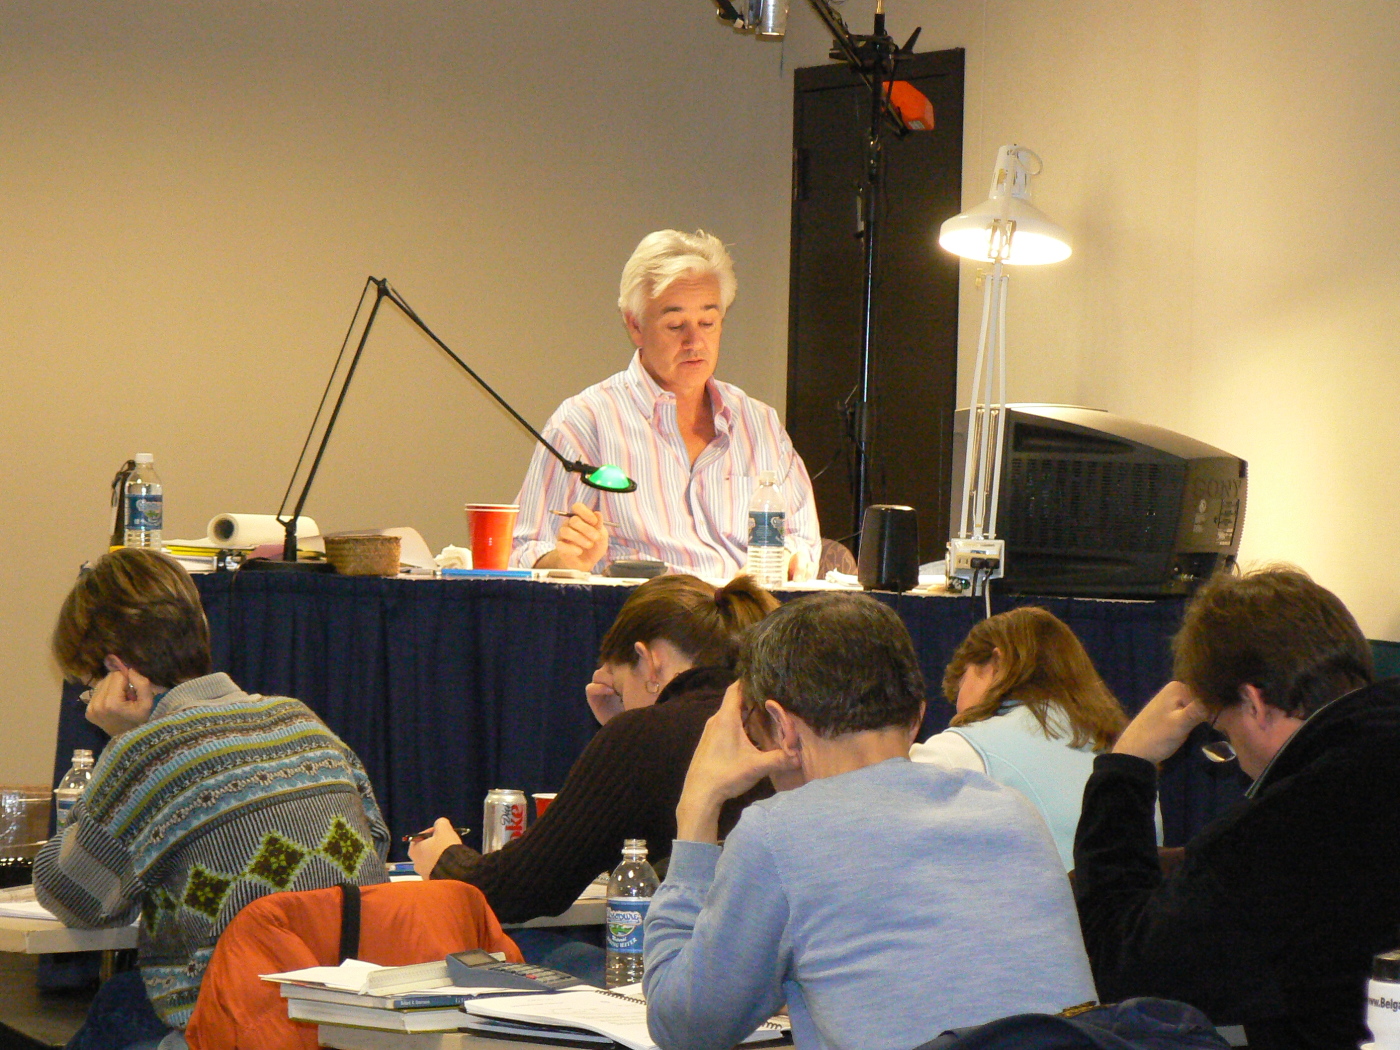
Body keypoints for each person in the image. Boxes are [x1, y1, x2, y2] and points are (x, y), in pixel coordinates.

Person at [643, 593, 1097, 1050]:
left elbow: (683, 1027)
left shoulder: (778, 834)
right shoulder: (1012, 811)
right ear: (918, 716)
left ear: (782, 725)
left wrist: (697, 806)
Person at [34, 549, 390, 1050]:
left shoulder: (146, 753)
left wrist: (121, 741)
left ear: (117, 671)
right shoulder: (302, 720)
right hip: (345, 1019)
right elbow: (376, 840)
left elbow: (73, 897)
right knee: (122, 999)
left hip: (239, 1023)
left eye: (90, 688)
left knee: (113, 1011)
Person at [1073, 567, 1400, 1050]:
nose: (1243, 770)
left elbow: (1125, 973)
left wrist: (1126, 764)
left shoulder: (1286, 828)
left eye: (1223, 731)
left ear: (1253, 702)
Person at [408, 573, 779, 924]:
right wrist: (620, 723)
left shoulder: (644, 736)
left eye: (619, 684)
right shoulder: (777, 719)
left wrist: (445, 859)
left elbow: (517, 891)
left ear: (650, 660)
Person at [509, 229, 821, 578]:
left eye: (707, 323)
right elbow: (525, 548)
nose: (695, 342)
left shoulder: (759, 423)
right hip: (645, 607)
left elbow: (802, 537)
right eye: (675, 325)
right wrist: (567, 561)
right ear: (635, 326)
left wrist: (783, 560)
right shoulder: (585, 422)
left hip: (746, 607)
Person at [910, 606, 1133, 869]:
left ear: (997, 663)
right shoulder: (1125, 753)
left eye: (962, 680)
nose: (959, 711)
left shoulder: (958, 752)